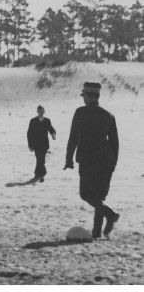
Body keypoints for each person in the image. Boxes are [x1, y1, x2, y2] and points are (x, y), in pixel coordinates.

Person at [64, 81, 120, 239]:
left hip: (88, 158)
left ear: (87, 96)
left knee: (86, 194)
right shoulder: (109, 115)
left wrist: (69, 158)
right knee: (99, 195)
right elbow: (115, 142)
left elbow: (73, 137)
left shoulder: (80, 112)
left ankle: (110, 214)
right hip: (106, 159)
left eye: (84, 96)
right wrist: (113, 163)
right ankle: (96, 231)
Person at [27, 104, 57, 182]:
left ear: (44, 112)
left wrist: (53, 135)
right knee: (40, 159)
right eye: (40, 111)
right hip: (36, 144)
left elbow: (51, 129)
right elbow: (29, 133)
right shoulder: (33, 121)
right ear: (37, 111)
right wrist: (30, 145)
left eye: (42, 111)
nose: (41, 112)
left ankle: (38, 174)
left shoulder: (47, 120)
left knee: (41, 159)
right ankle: (41, 174)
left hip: (44, 144)